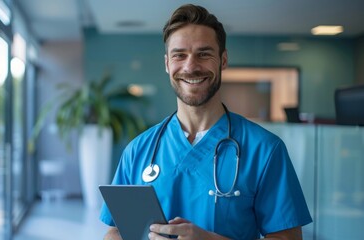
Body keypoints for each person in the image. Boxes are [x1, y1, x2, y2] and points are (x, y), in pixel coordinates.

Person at [100, 4, 312, 240]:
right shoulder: (138, 151)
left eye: (204, 54)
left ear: (223, 60)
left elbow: (288, 237)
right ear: (167, 64)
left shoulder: (265, 150)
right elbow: (115, 231)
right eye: (179, 55)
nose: (191, 66)